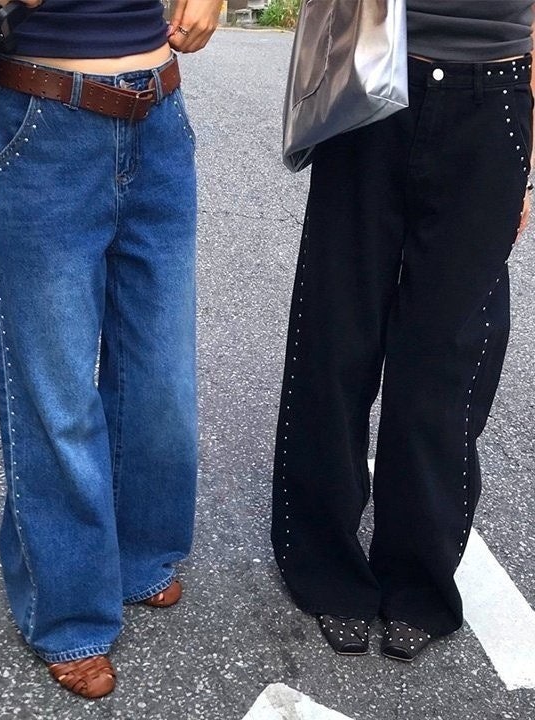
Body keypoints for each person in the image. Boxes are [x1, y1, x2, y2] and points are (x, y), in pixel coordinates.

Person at [272, 1, 534, 662]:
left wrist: (526, 163)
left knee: (445, 357)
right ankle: (323, 561)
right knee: (336, 337)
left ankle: (418, 575)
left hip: (494, 95)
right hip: (372, 79)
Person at [0, 0, 221, 698]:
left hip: (160, 115)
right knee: (57, 395)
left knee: (161, 377)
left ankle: (140, 555)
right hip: (44, 119)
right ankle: (66, 611)